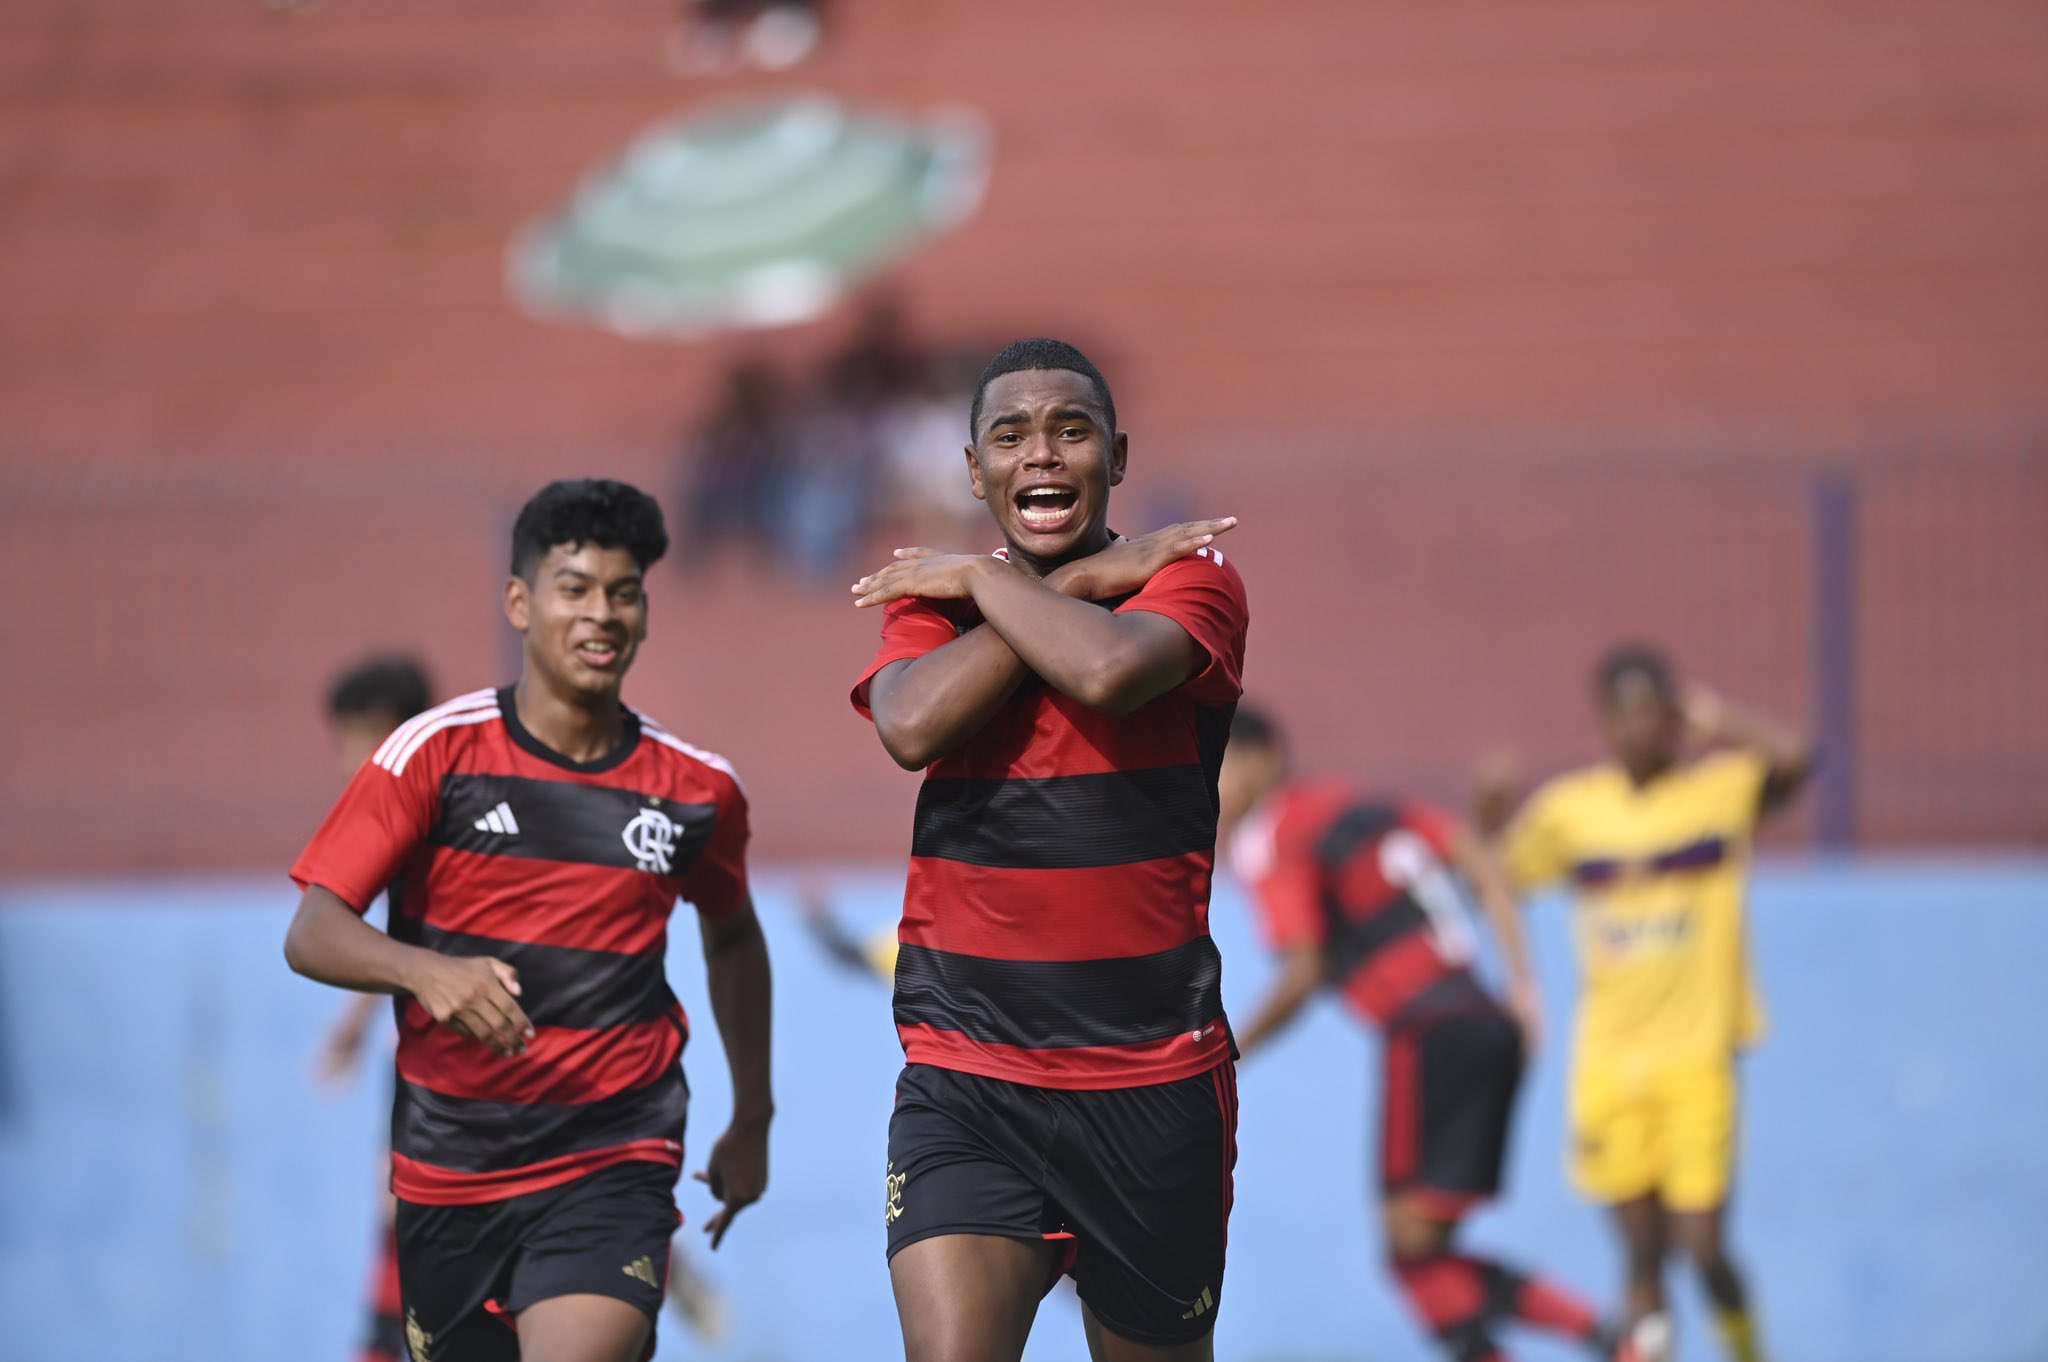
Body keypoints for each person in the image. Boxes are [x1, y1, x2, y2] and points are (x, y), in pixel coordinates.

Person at [284, 479, 774, 1362]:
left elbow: (734, 935)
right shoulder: (432, 754)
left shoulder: (696, 790)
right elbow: (313, 929)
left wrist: (753, 1115)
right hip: (450, 1175)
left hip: (614, 1158)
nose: (601, 614)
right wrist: (426, 972)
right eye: (575, 588)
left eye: (623, 593)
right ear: (520, 602)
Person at [848, 338, 1249, 1362]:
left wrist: (1014, 587)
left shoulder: (1188, 577)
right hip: (966, 1073)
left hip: (1150, 1081)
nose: (1041, 454)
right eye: (1011, 436)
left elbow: (1107, 672)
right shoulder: (931, 600)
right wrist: (1053, 583)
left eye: (1071, 431)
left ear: (1116, 457)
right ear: (974, 469)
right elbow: (911, 727)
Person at [1216, 705, 1623, 1362]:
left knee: (1412, 1256)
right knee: (1426, 1256)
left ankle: (1612, 1339)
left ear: (1265, 760)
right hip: (1486, 1023)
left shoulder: (1270, 836)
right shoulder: (1363, 806)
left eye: (1220, 766)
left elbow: (1303, 971)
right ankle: (1618, 1341)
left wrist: (1224, 1056)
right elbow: (1478, 858)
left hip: (1426, 1035)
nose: (1211, 787)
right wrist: (1525, 987)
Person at [1474, 645, 1813, 1362]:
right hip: (1609, 1063)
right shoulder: (1572, 811)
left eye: (1653, 713)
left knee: (1705, 1249)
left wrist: (1719, 718)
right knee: (1641, 1263)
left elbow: (1796, 757)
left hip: (1698, 1057)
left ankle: (1748, 1348)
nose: (1638, 730)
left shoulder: (1718, 793)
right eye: (1622, 715)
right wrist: (1487, 816)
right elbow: (1497, 879)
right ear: (1603, 723)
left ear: (1673, 718)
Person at [315, 656, 436, 1362]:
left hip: (451, 1060)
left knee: (406, 1205)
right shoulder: (401, 816)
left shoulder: (431, 809)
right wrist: (356, 1027)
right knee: (397, 1204)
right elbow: (389, 937)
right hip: (418, 1052)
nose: (344, 762)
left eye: (352, 742)